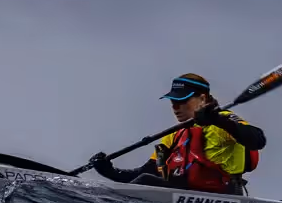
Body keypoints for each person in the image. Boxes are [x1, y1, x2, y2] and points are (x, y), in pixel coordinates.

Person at [88, 73, 266, 194]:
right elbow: (148, 171)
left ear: (202, 98)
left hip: (223, 200)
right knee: (146, 178)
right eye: (173, 101)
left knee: (145, 181)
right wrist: (109, 171)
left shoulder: (223, 120)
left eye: (182, 100)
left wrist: (217, 120)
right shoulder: (175, 134)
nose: (175, 107)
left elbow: (257, 140)